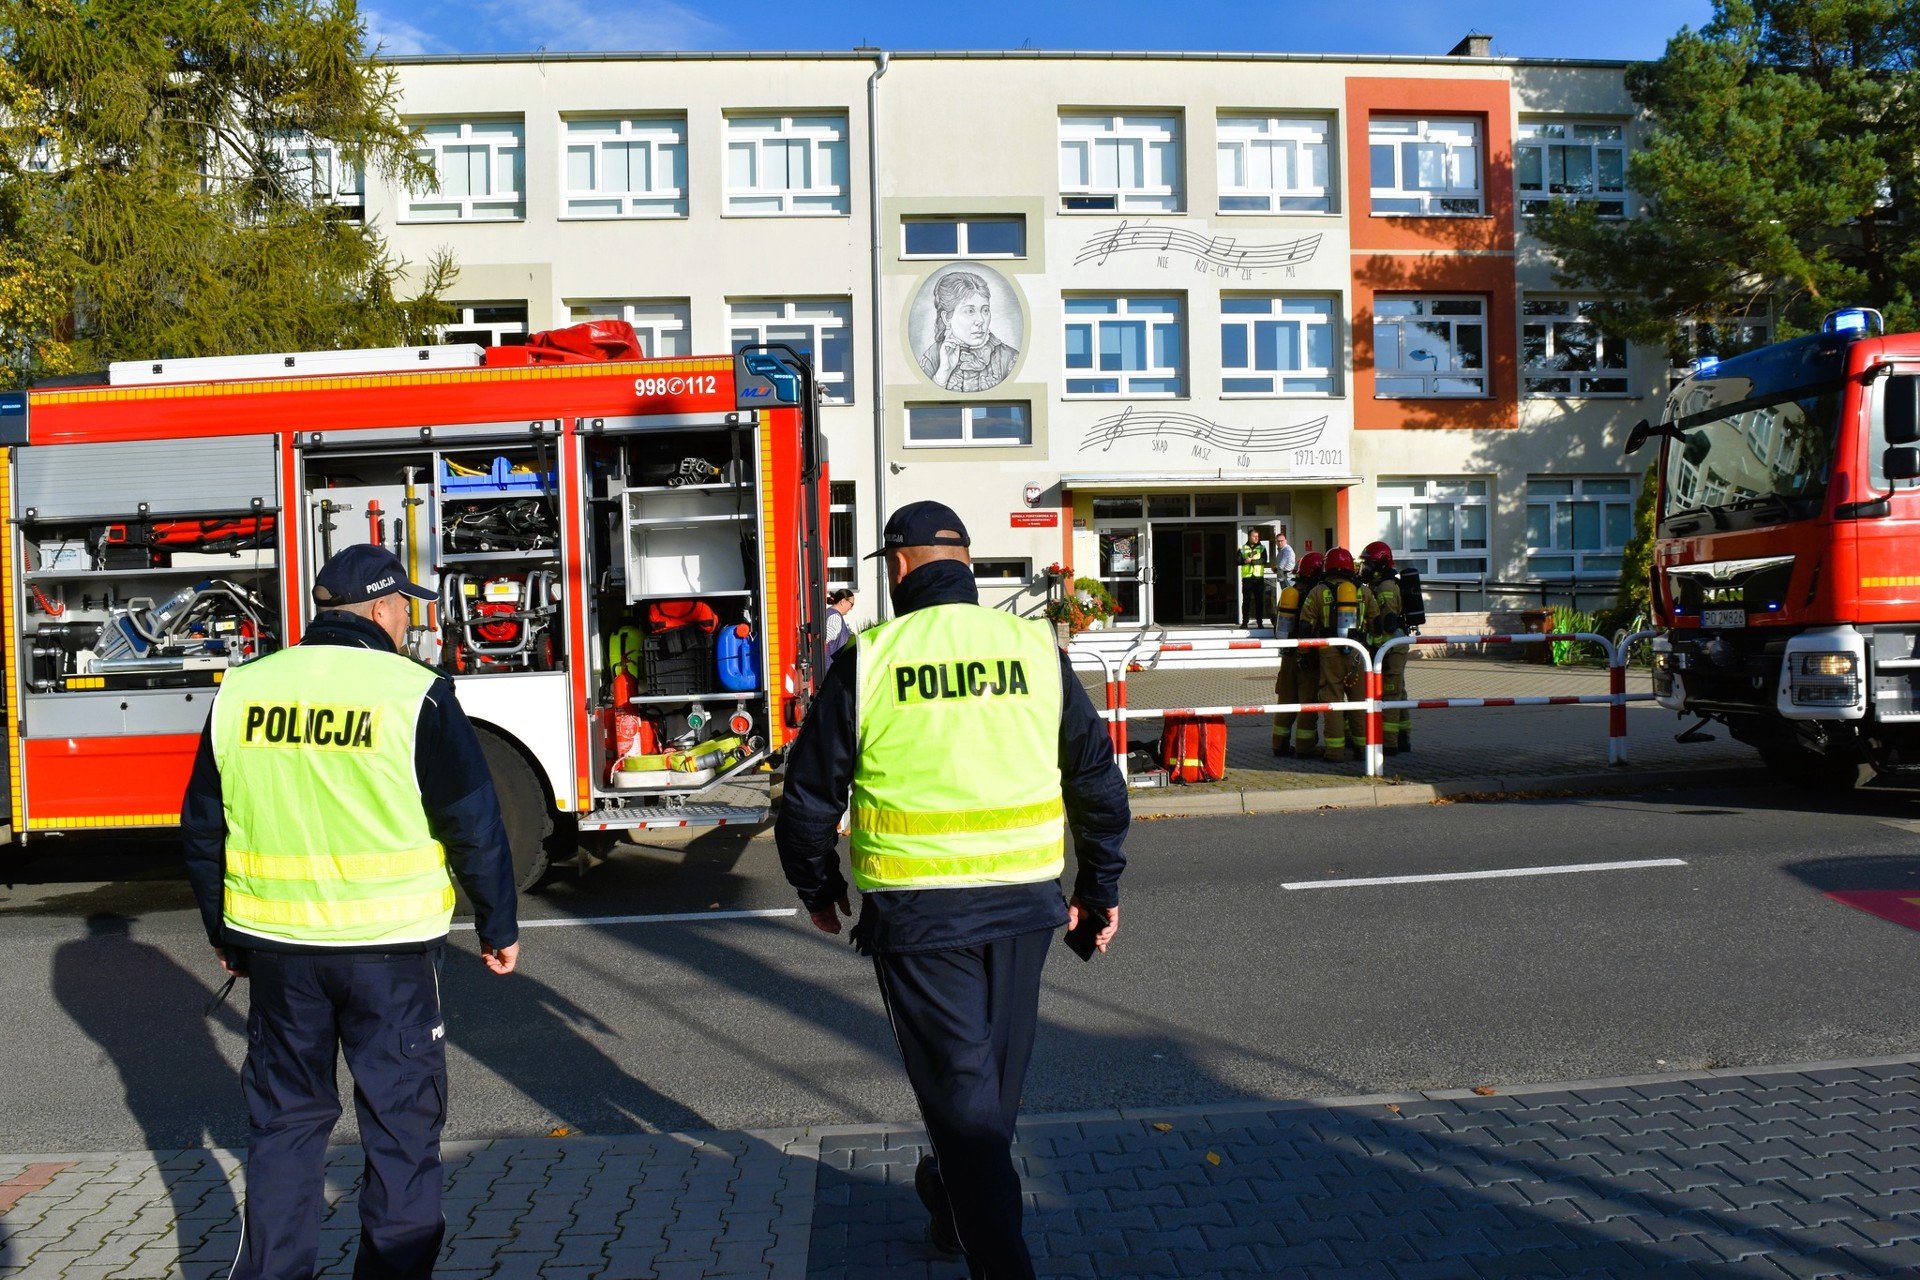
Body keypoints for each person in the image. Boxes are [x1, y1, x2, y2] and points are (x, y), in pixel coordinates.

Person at [776, 500, 1129, 1280]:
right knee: (984, 1096)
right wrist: (1098, 889)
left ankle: (988, 1244)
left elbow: (808, 797)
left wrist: (817, 886)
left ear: (900, 565)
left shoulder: (871, 657)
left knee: (969, 1107)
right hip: (1023, 910)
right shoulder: (1034, 646)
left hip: (920, 916)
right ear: (963, 561)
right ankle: (952, 1193)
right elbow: (1096, 779)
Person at [180, 544, 520, 1280]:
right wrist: (498, 925)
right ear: (381, 608)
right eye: (405, 606)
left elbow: (206, 826)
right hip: (389, 957)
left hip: (279, 952)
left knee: (285, 1128)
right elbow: (473, 820)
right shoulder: (414, 692)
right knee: (401, 1134)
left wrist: (226, 934)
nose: (408, 619)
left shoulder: (244, 689)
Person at [1297, 546, 1378, 764]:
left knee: (1332, 699)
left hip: (1329, 650)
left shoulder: (1317, 591)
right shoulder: (1363, 591)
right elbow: (1376, 622)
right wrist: (1372, 648)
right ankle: (1364, 749)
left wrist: (1304, 653)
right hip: (1358, 652)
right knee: (1359, 700)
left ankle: (1335, 751)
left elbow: (1305, 626)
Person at [918, 272, 1019, 392]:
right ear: (947, 318)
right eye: (970, 311)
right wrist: (943, 372)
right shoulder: (931, 358)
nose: (981, 320)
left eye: (985, 310)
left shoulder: (1009, 358)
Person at [1361, 540, 1412, 755]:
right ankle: (1403, 739)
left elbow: (1388, 624)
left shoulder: (1385, 588)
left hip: (1391, 648)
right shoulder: (1379, 585)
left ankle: (1390, 744)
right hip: (1388, 647)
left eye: (1369, 564)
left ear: (1380, 565)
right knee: (1398, 693)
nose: (1365, 568)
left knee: (1391, 695)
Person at [1272, 549, 1323, 758]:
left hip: (1288, 656)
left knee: (1285, 701)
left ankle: (1279, 744)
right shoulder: (1316, 595)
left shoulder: (1289, 593)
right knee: (1308, 704)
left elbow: (1280, 625)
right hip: (1307, 657)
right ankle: (1305, 747)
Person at [1237, 527, 1271, 631]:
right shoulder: (1242, 548)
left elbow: (1264, 560)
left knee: (1259, 601)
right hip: (1247, 578)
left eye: (1257, 537)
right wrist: (1244, 561)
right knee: (1246, 601)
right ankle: (1244, 622)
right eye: (1254, 536)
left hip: (1258, 578)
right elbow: (1237, 561)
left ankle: (1260, 622)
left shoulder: (1262, 548)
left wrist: (1252, 561)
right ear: (1249, 537)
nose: (1256, 538)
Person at [824, 587, 856, 666]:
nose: (851, 608)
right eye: (851, 604)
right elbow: (822, 641)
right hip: (828, 669)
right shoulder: (835, 618)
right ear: (843, 601)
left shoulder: (831, 614)